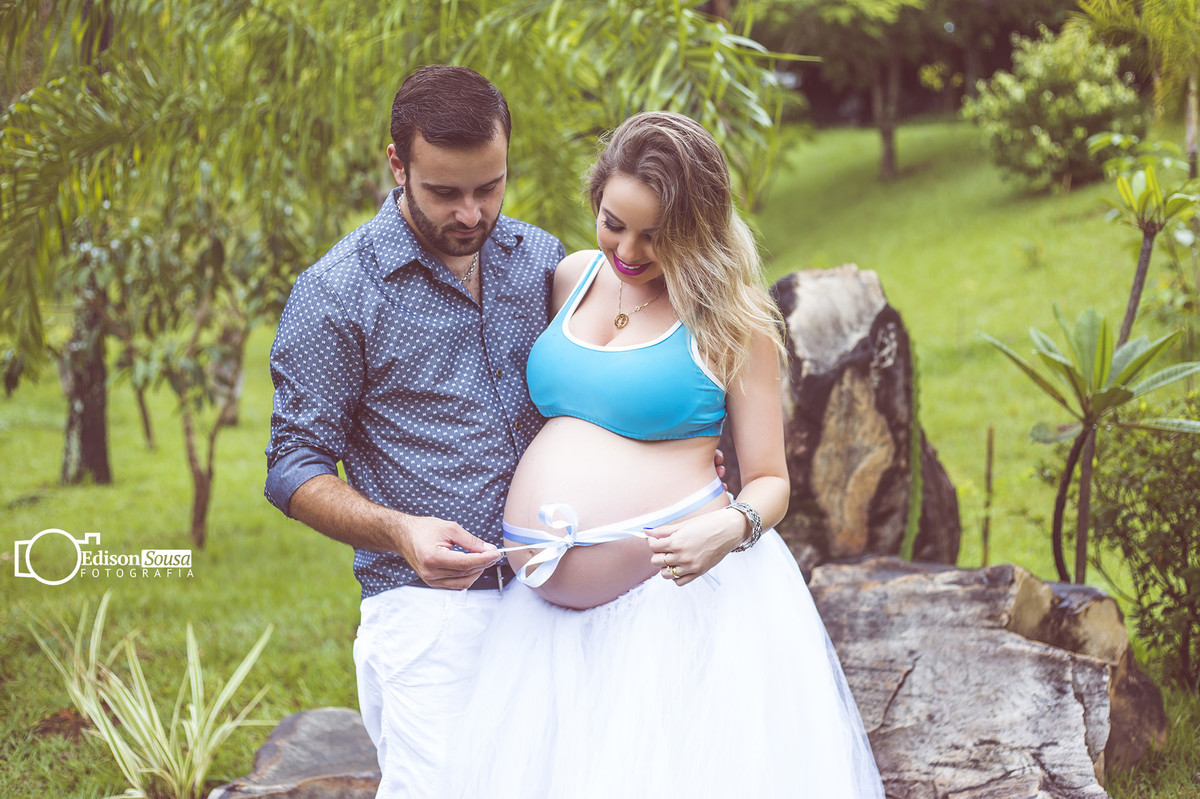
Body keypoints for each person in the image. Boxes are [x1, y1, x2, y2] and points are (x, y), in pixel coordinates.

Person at [444, 112, 887, 798]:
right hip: (542, 624)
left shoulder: (732, 321)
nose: (628, 249)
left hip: (674, 605)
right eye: (613, 222)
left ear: (696, 228)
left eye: (655, 234)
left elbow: (771, 480)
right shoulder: (571, 278)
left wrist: (728, 527)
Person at [264, 65, 567, 797]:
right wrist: (401, 532)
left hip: (559, 593)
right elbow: (292, 466)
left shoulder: (544, 260)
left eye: (489, 186)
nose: (471, 213)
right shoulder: (336, 292)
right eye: (444, 192)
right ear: (397, 165)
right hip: (430, 614)